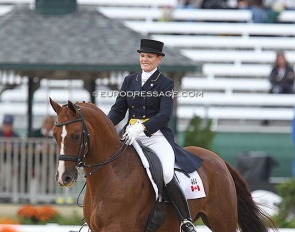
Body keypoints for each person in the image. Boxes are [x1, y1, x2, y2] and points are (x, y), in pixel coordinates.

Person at [108, 39, 202, 232]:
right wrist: (106, 126)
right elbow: (118, 110)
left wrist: (143, 127)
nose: (144, 59)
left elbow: (165, 114)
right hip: (129, 136)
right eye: (142, 56)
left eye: (149, 56)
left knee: (167, 173)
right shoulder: (129, 81)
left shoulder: (166, 83)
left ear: (158, 59)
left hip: (155, 135)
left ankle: (185, 220)